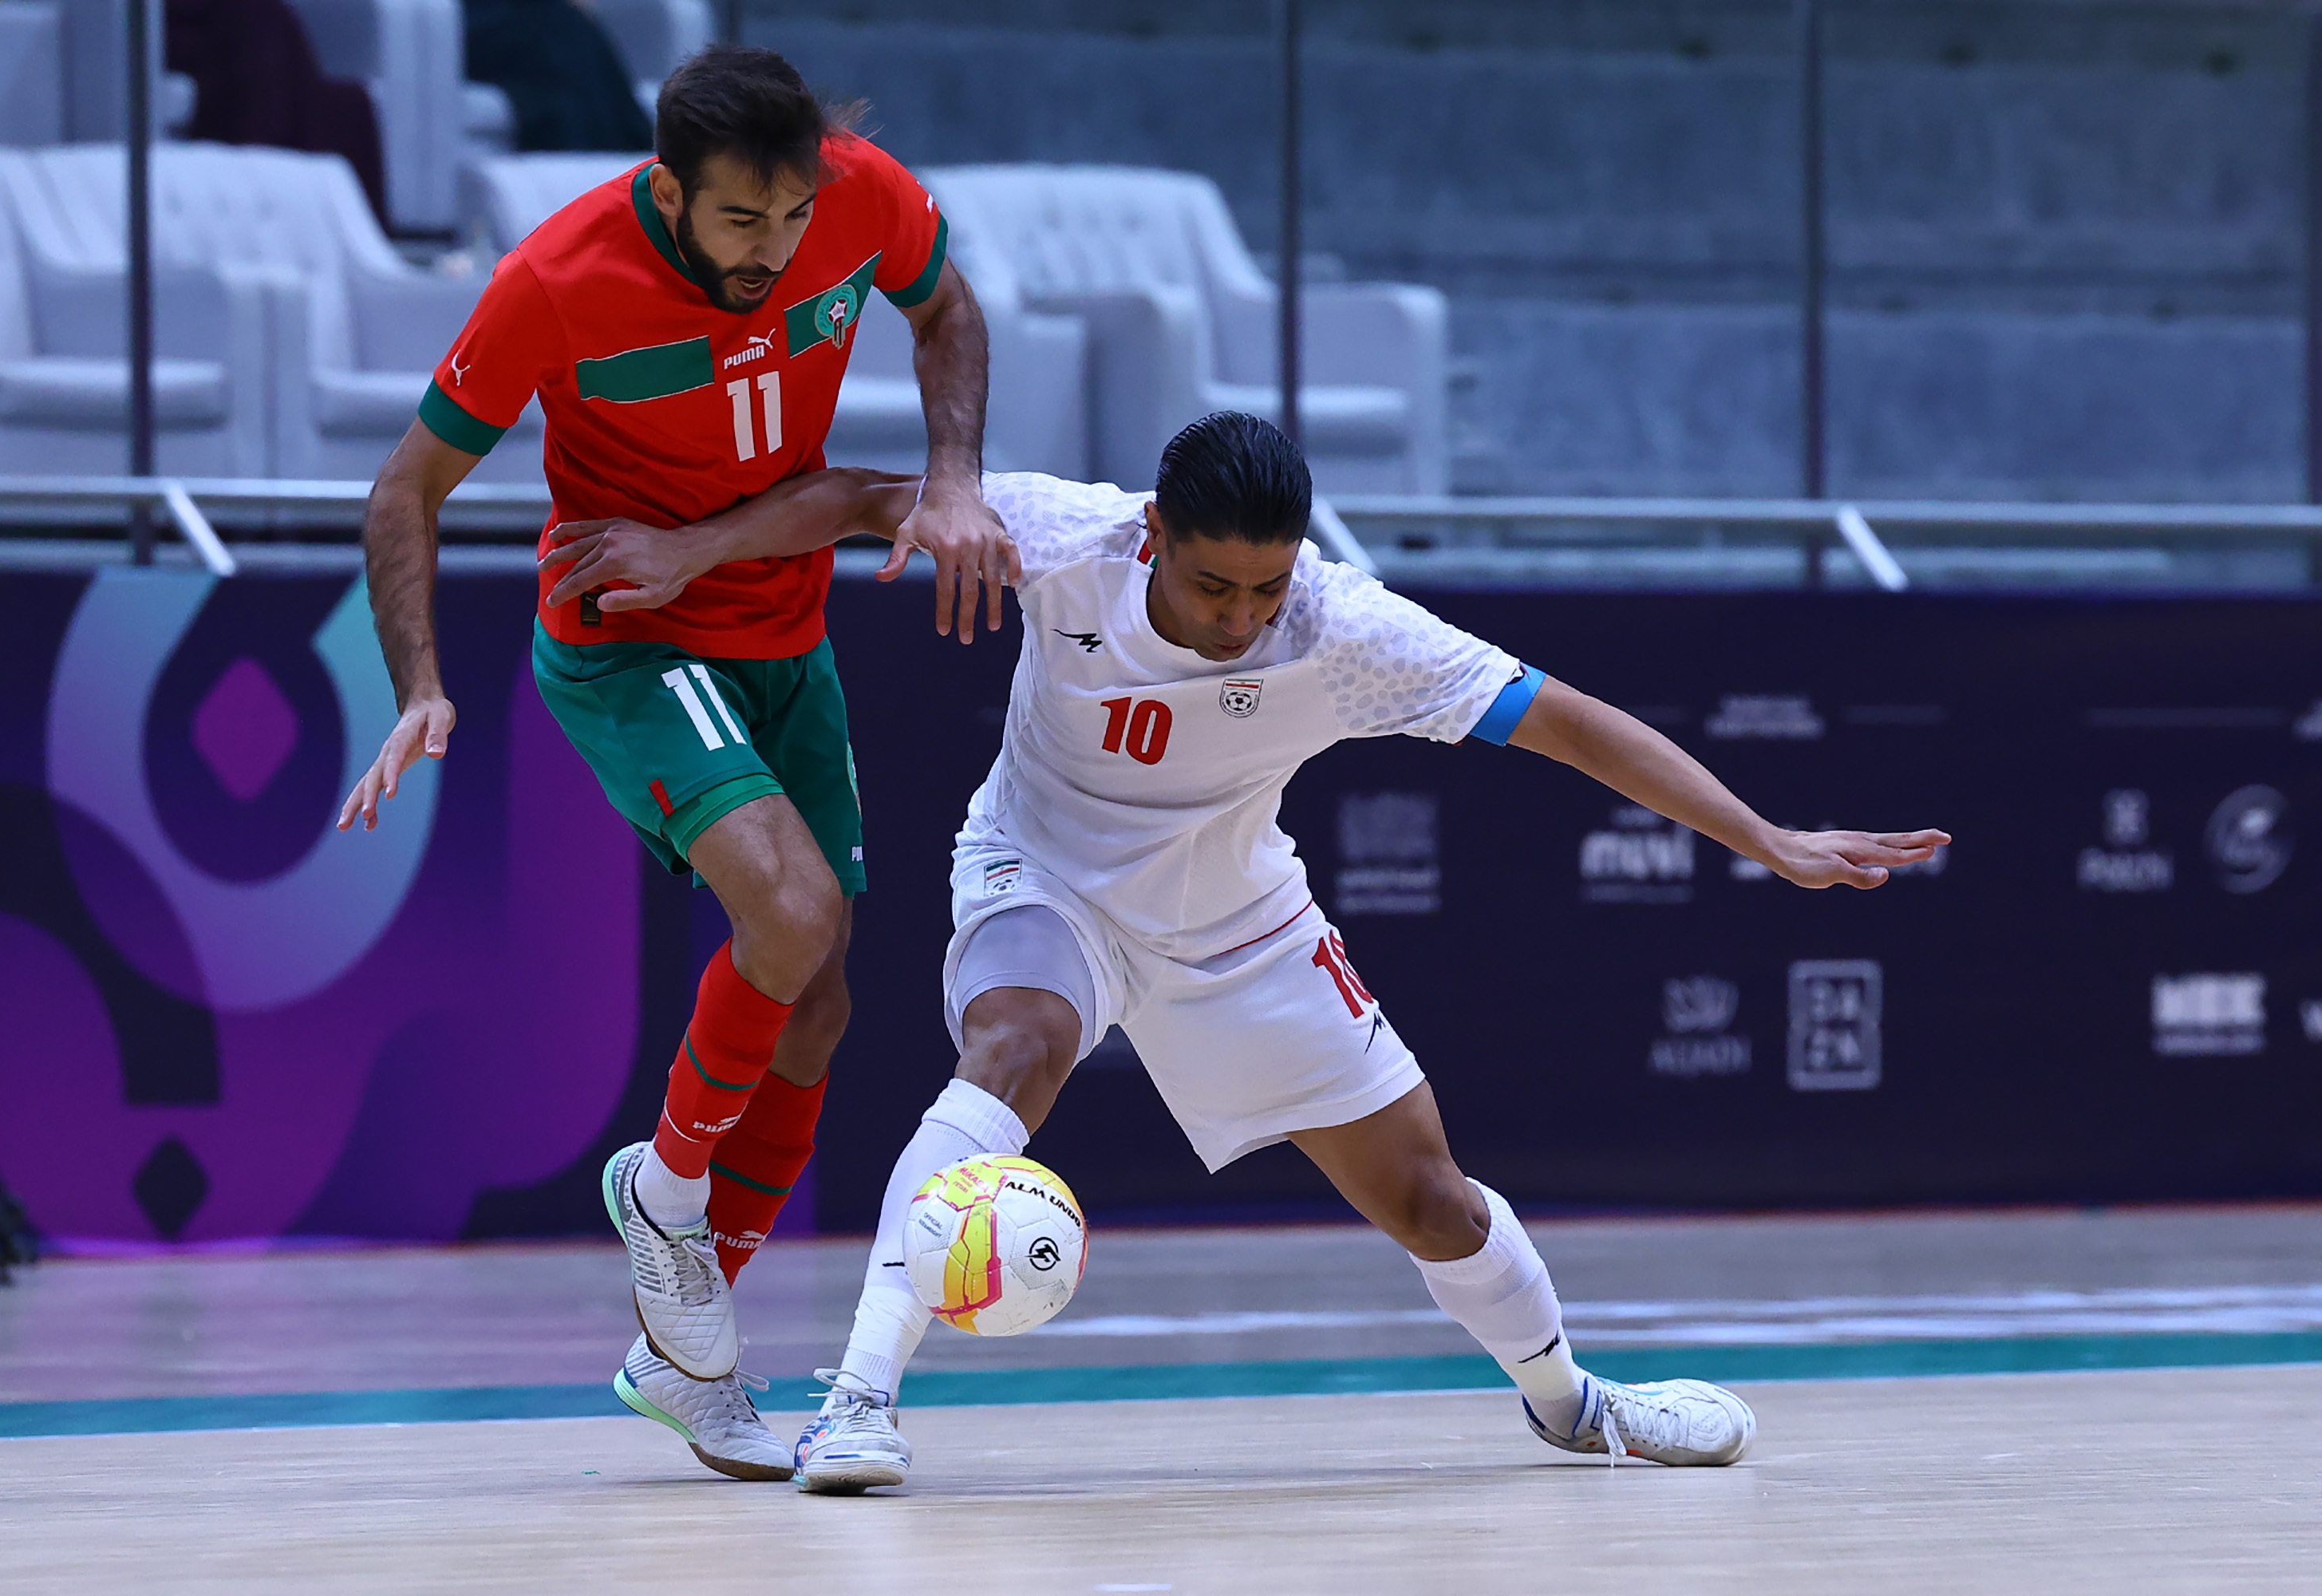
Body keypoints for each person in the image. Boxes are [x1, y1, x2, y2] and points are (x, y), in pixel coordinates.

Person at [553, 411, 1951, 1491]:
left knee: (1432, 1201)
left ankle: (1574, 1407)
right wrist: (690, 552)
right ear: (1155, 533)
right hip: (1044, 873)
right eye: (1215, 584)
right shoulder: (1068, 536)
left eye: (1263, 588)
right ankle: (857, 1405)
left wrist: (1762, 835)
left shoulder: (1345, 631)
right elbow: (862, 495)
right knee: (1015, 1044)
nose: (1240, 618)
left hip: (1239, 920)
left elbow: (1570, 721)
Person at [335, 45, 1015, 1482]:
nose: (772, 249)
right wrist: (420, 686)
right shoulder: (553, 279)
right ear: (667, 191)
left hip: (786, 635)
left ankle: (683, 1358)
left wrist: (954, 474)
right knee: (793, 912)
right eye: (738, 221)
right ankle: (666, 1185)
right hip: (629, 635)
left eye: (791, 217)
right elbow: (408, 486)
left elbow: (947, 306)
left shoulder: (861, 194)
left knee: (817, 1010)